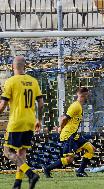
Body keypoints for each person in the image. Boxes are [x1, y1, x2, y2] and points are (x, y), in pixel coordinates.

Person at [0, 56, 44, 189]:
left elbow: (3, 105)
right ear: (25, 66)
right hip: (30, 121)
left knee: (7, 152)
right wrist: (39, 120)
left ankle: (31, 174)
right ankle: (17, 183)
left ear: (13, 66)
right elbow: (41, 104)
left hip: (16, 121)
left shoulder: (10, 82)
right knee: (21, 153)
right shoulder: (33, 81)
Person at [42, 87, 95, 178]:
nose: (88, 97)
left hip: (74, 135)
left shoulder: (79, 106)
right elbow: (64, 119)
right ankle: (47, 168)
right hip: (69, 135)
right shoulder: (75, 106)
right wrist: (60, 128)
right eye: (88, 95)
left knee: (91, 149)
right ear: (84, 95)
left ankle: (80, 171)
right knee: (69, 159)